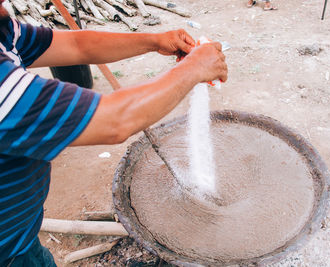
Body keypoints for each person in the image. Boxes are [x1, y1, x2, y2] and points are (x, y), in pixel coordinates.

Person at [0, 0, 227, 265]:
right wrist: (194, 68)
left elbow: (76, 45)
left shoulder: (4, 30)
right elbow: (114, 120)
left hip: (20, 234)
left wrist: (155, 40)